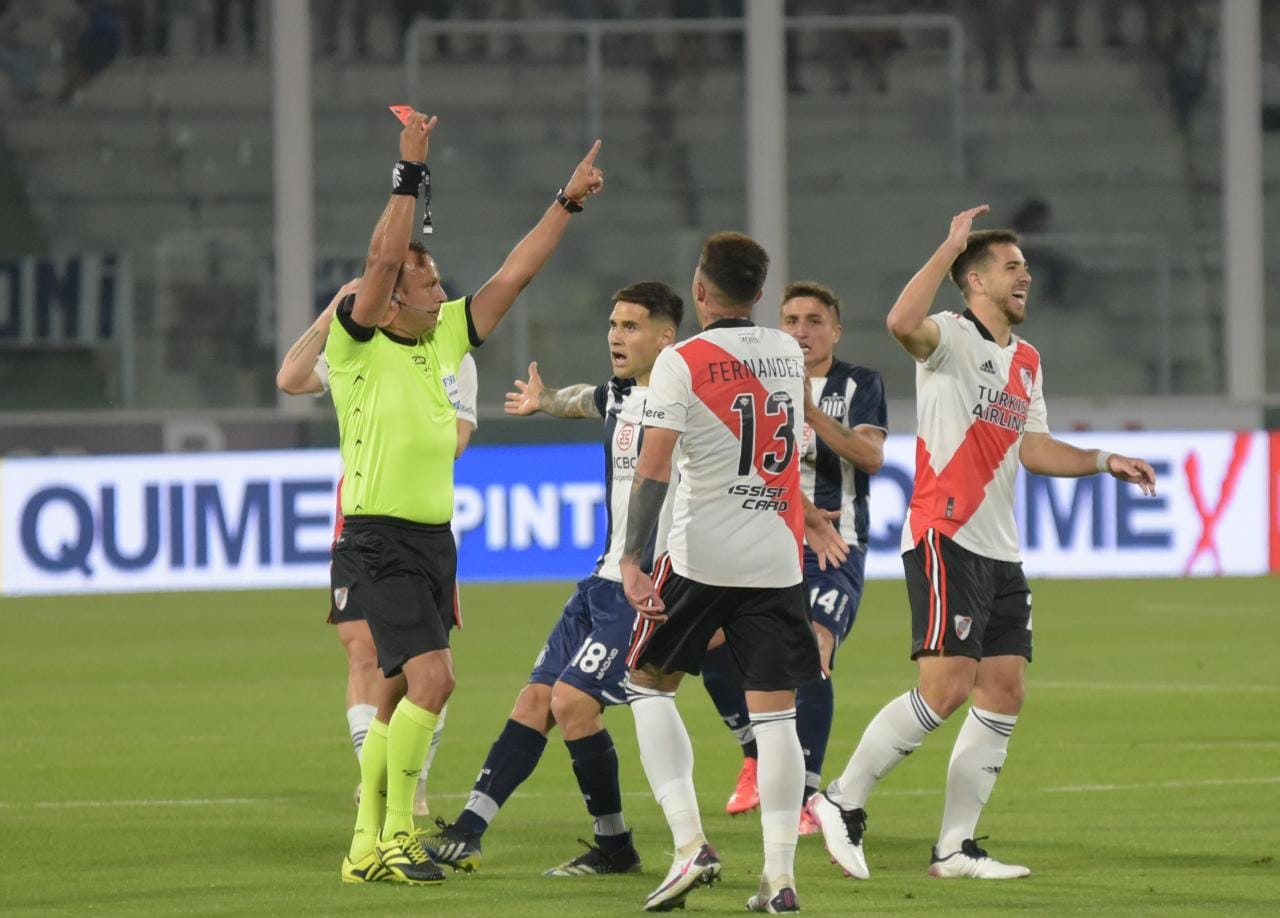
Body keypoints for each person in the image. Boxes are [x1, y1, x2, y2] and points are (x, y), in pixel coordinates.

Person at [805, 206, 1158, 881]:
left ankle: (954, 848)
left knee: (1003, 688)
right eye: (1011, 267)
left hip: (1000, 549)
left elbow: (1034, 448)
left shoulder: (1026, 361)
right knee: (945, 688)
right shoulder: (951, 338)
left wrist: (1105, 460)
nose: (1025, 275)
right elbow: (901, 322)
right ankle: (841, 800)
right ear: (974, 282)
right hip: (946, 534)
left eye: (1025, 266)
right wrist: (948, 245)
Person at [332, 109, 604, 886]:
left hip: (430, 541)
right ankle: (393, 835)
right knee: (435, 681)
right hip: (376, 537)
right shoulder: (356, 346)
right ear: (390, 298)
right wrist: (408, 169)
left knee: (396, 694)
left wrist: (567, 201)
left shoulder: (444, 335)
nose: (439, 286)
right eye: (426, 280)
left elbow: (515, 273)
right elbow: (383, 255)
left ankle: (363, 846)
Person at [619, 232, 849, 914]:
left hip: (699, 554)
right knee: (777, 719)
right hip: (775, 562)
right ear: (758, 295)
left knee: (648, 688)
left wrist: (634, 557)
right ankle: (779, 879)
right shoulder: (787, 354)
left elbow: (655, 464)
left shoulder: (680, 361)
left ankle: (690, 845)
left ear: (699, 290)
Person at [425, 281, 684, 879]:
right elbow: (586, 400)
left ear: (666, 337)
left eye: (632, 326)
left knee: (572, 703)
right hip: (599, 579)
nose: (616, 336)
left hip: (645, 584)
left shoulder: (689, 400)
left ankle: (618, 846)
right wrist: (544, 401)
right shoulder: (621, 394)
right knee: (536, 700)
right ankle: (470, 830)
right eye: (613, 325)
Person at [276, 277, 477, 818]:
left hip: (419, 527)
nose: (434, 300)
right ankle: (375, 779)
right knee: (361, 652)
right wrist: (335, 307)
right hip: (358, 522)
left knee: (424, 667)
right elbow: (291, 378)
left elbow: (456, 440)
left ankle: (411, 781)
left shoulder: (453, 353)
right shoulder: (356, 344)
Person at [704, 280, 887, 828]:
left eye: (814, 320)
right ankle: (755, 750)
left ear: (836, 329)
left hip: (835, 543)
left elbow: (871, 456)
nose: (802, 331)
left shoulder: (859, 383)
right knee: (705, 640)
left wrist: (809, 413)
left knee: (813, 650)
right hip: (762, 539)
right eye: (791, 320)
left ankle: (807, 795)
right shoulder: (754, 380)